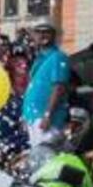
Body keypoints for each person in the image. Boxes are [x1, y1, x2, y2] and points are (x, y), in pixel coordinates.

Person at [21, 18, 70, 170]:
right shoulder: (39, 59)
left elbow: (59, 87)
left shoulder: (58, 57)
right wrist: (25, 116)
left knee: (47, 161)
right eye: (39, 32)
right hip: (34, 118)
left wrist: (48, 114)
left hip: (47, 120)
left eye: (46, 31)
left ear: (53, 34)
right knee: (38, 159)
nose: (42, 35)